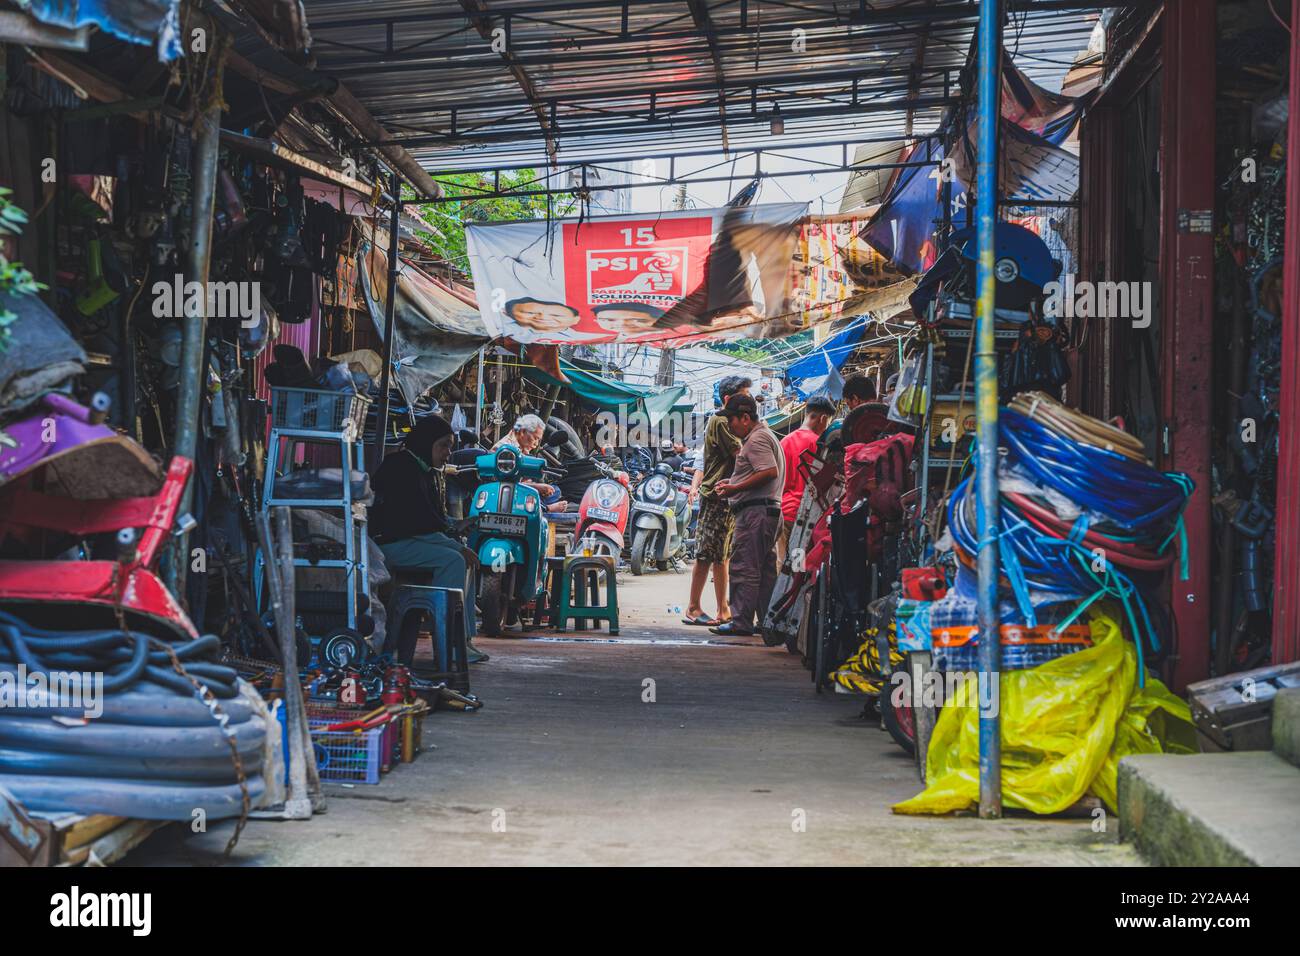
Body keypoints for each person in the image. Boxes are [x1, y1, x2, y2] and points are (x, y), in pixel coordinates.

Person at [371, 415, 487, 664]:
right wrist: (453, 542)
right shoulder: (401, 467)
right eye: (443, 445)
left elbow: (429, 518)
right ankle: (450, 641)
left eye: (450, 446)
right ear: (426, 442)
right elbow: (415, 524)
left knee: (463, 555)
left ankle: (464, 639)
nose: (448, 453)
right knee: (454, 560)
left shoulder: (426, 470)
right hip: (388, 545)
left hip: (411, 540)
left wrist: (455, 526)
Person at [710, 393, 785, 638]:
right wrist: (733, 482)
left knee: (744, 567)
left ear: (745, 418)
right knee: (764, 572)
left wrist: (735, 488)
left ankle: (740, 621)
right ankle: (767, 622)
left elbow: (769, 471)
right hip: (766, 512)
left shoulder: (757, 439)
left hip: (755, 514)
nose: (730, 426)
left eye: (731, 420)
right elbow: (761, 472)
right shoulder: (765, 436)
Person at [682, 375, 751, 627]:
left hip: (726, 495)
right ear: (728, 399)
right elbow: (741, 454)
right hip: (716, 494)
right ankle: (694, 607)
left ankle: (723, 609)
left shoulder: (729, 421)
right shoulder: (721, 420)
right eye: (744, 395)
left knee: (720, 554)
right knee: (707, 553)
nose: (749, 401)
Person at [776, 395, 835, 566]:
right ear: (823, 418)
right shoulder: (818, 444)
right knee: (797, 568)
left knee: (781, 568)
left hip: (783, 513)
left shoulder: (784, 441)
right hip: (804, 517)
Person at [492, 413, 568, 512]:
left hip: (513, 489)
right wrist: (536, 487)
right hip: (503, 494)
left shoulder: (518, 447)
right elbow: (507, 484)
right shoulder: (507, 450)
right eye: (535, 438)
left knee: (555, 491)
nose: (536, 444)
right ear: (523, 432)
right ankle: (545, 509)